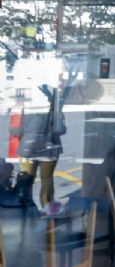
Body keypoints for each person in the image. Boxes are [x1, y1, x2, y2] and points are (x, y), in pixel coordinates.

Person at [12, 84, 66, 213]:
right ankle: (48, 207)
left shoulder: (24, 109)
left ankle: (24, 207)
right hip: (49, 148)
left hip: (27, 148)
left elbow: (16, 131)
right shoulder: (55, 111)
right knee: (47, 179)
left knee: (26, 179)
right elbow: (61, 129)